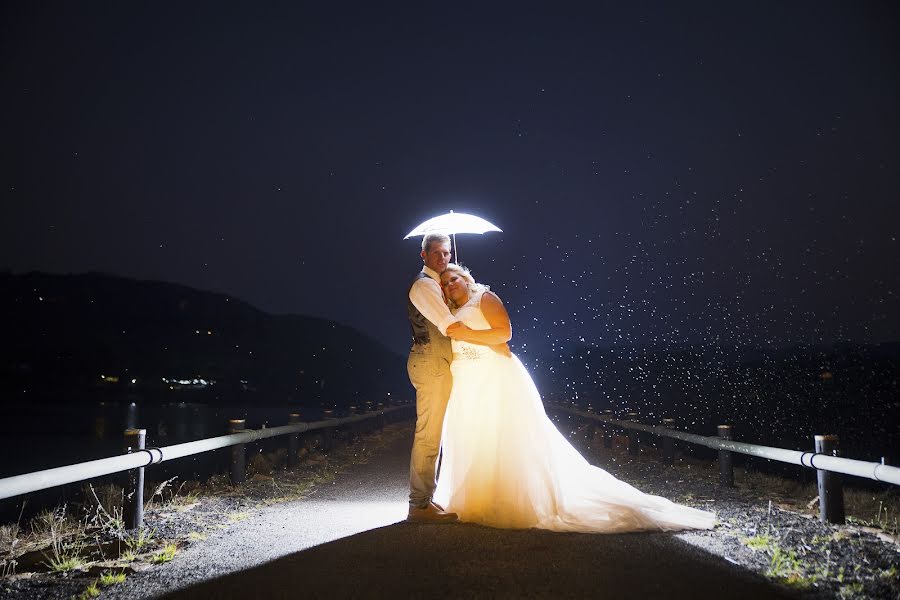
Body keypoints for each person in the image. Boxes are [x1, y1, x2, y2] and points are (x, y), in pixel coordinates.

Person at [433, 263, 716, 532]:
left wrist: (466, 333)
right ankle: (474, 498)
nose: (449, 285)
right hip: (466, 382)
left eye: (453, 279)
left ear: (466, 278)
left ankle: (508, 500)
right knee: (474, 436)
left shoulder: (484, 298)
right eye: (444, 284)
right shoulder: (450, 313)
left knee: (501, 437)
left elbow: (504, 334)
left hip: (493, 377)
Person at [405, 233, 469, 523]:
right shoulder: (424, 285)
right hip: (431, 362)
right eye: (437, 254)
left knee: (436, 434)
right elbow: (448, 326)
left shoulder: (437, 285)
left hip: (438, 363)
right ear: (424, 256)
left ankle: (425, 500)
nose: (444, 259)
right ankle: (418, 506)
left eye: (447, 253)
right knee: (429, 435)